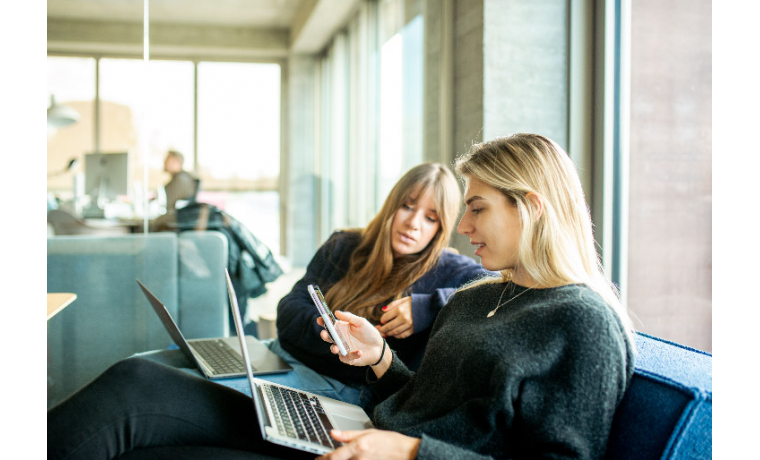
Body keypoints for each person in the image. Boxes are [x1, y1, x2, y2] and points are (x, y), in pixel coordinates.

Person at [48, 134, 635, 459]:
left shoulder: (580, 321)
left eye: (475, 209)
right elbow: (427, 402)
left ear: (531, 205)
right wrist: (379, 358)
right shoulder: (486, 294)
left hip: (378, 455)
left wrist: (407, 455)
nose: (462, 226)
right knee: (138, 382)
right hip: (353, 431)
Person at [258, 162, 489, 409]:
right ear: (392, 205)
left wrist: (425, 308)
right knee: (213, 371)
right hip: (278, 355)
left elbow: (499, 290)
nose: (413, 223)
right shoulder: (344, 244)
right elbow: (289, 310)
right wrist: (339, 338)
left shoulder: (451, 270)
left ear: (440, 228)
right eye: (407, 206)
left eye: (430, 218)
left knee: (217, 399)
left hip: (343, 389)